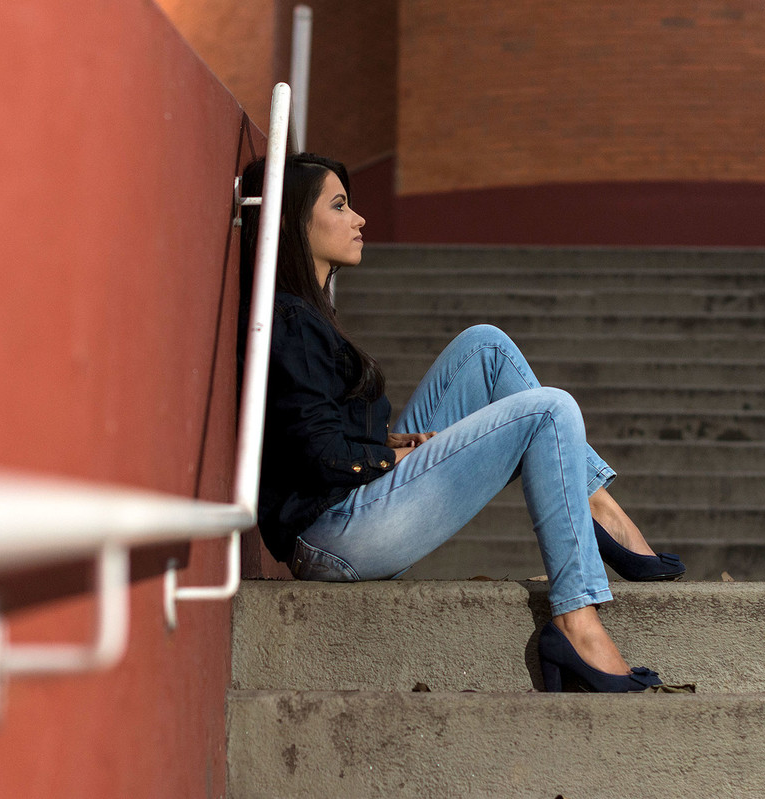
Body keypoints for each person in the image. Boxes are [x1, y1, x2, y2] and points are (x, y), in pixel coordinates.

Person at [238, 153, 686, 693]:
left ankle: (595, 503)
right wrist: (393, 458)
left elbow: (311, 429)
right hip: (336, 536)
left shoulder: (304, 314)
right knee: (551, 409)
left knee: (485, 348)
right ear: (293, 223)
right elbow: (320, 455)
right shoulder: (289, 319)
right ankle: (578, 619)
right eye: (339, 206)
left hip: (349, 513)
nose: (359, 219)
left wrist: (388, 441)